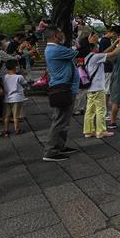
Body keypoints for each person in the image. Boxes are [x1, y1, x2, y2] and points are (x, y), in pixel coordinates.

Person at [43, 26, 80, 162]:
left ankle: (60, 146)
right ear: (54, 36)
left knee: (63, 120)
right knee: (60, 121)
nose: (62, 36)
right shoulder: (55, 49)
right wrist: (86, 40)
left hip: (66, 88)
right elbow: (80, 52)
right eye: (60, 34)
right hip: (64, 89)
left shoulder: (54, 48)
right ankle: (51, 151)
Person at [83, 33, 120, 138]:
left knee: (89, 111)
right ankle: (101, 131)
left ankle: (88, 131)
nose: (98, 48)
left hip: (90, 89)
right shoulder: (96, 56)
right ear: (93, 48)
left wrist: (114, 42)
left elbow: (105, 52)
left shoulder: (87, 57)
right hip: (98, 88)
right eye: (96, 46)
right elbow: (114, 53)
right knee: (101, 110)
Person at [2, 59, 28, 137]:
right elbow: (25, 84)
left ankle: (6, 130)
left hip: (7, 98)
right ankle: (17, 130)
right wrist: (24, 75)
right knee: (16, 116)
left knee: (6, 116)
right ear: (15, 67)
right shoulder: (19, 77)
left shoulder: (4, 77)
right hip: (17, 98)